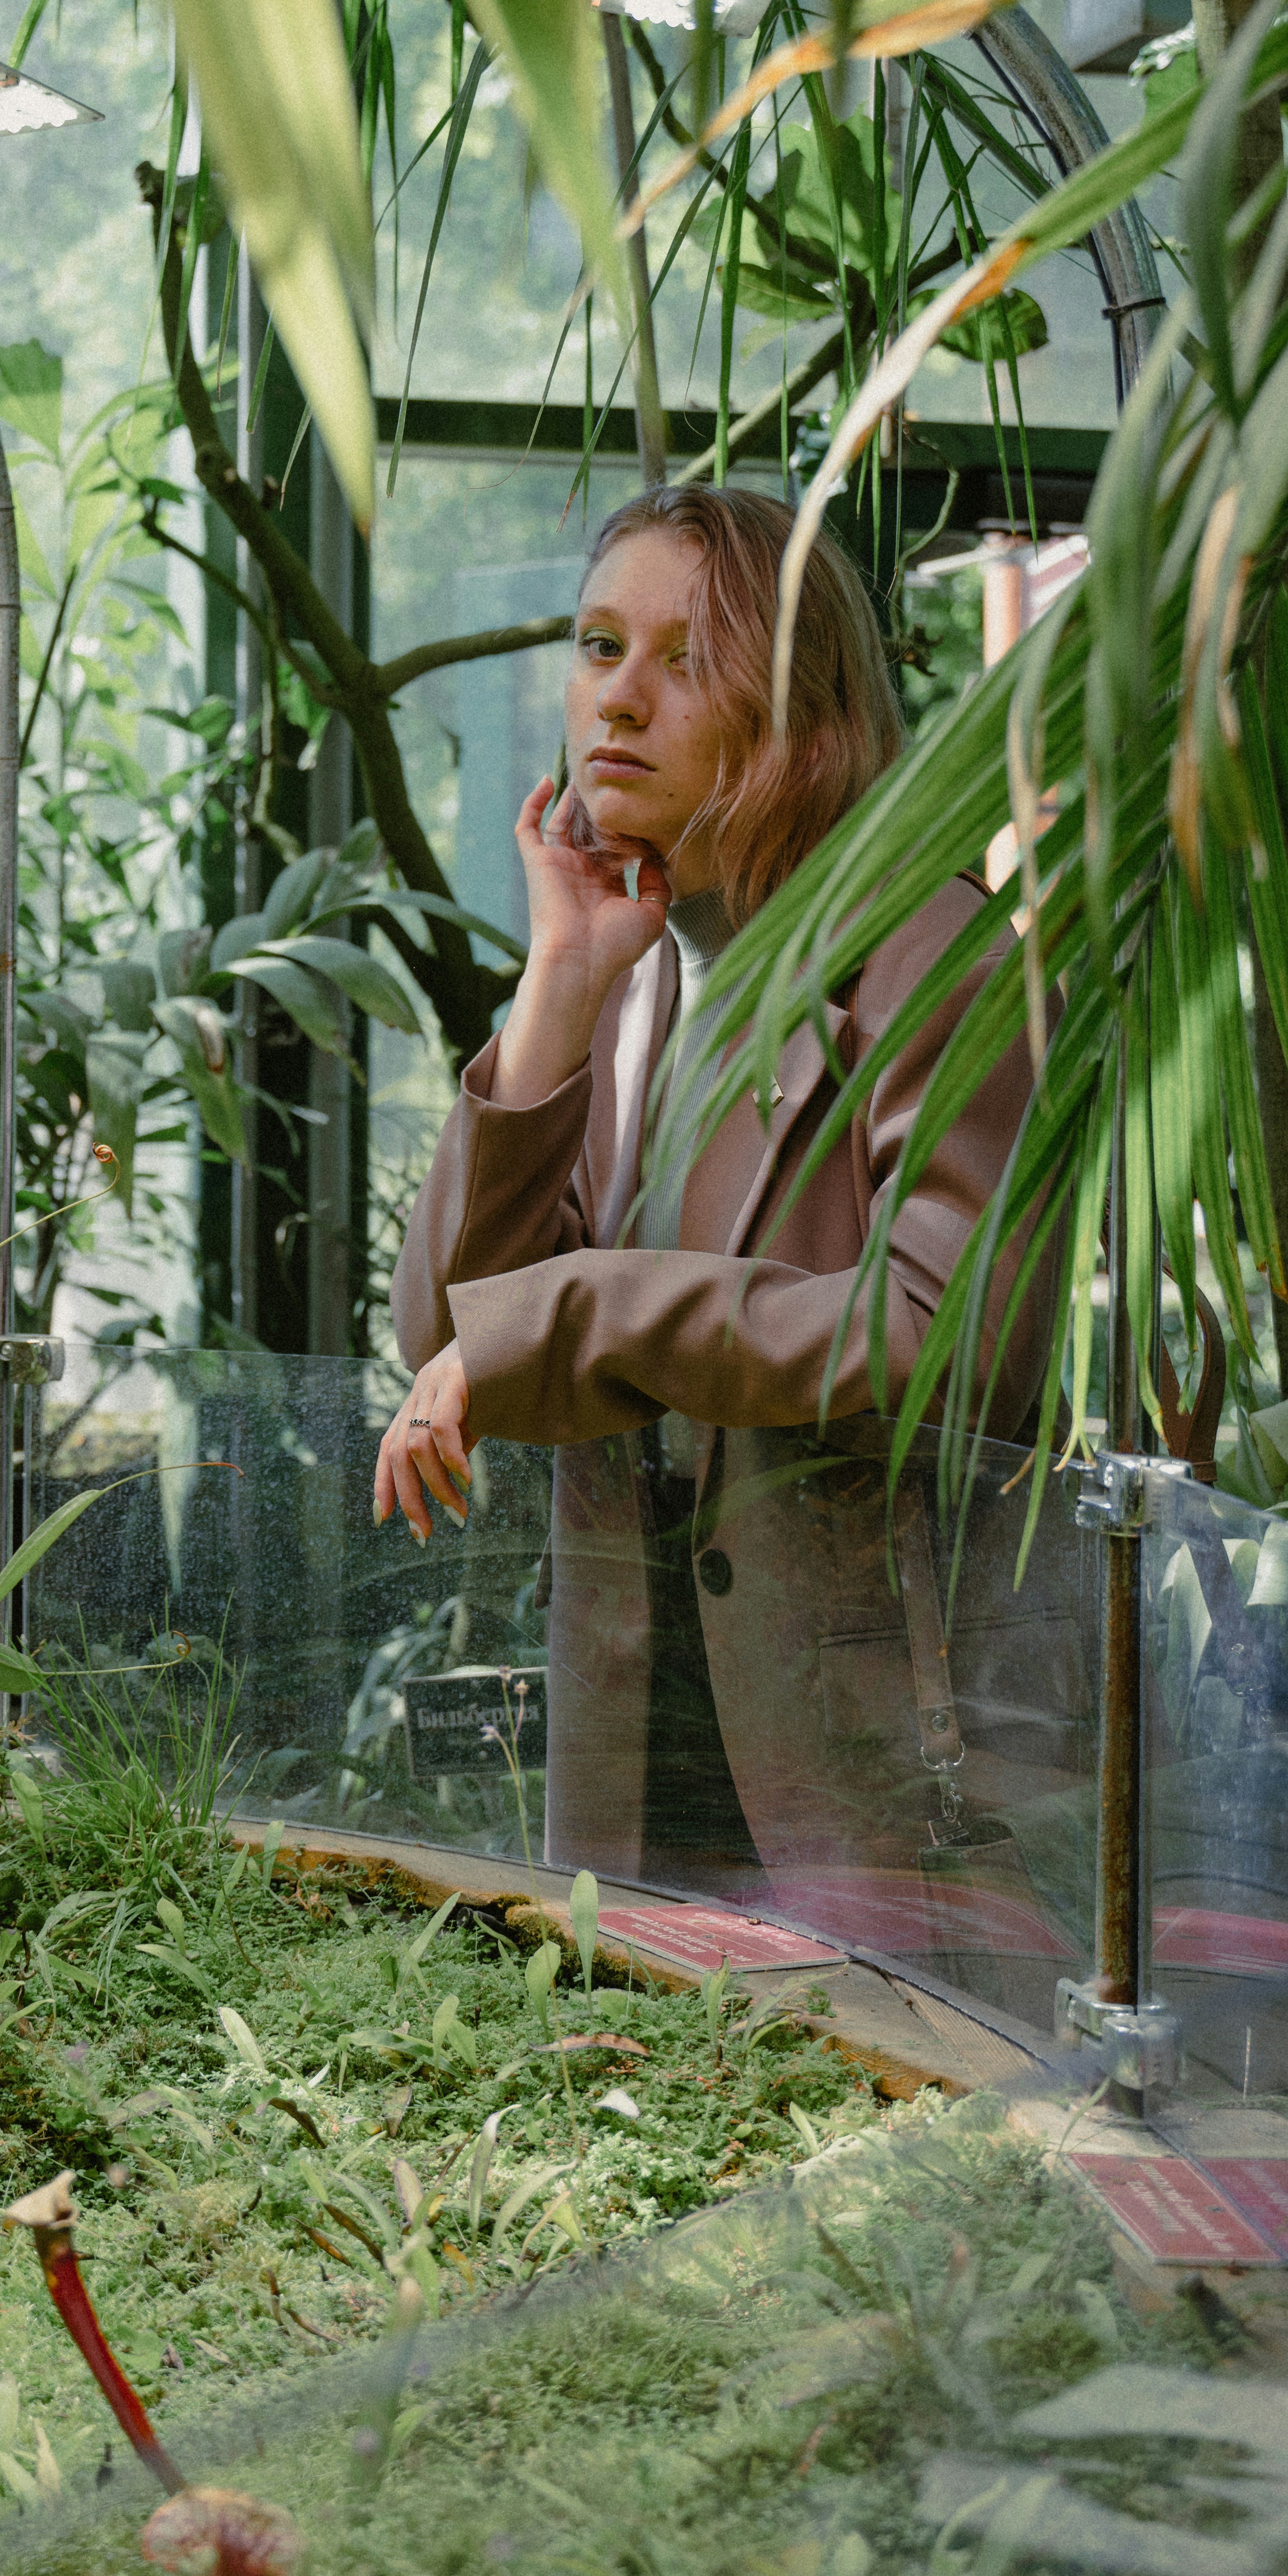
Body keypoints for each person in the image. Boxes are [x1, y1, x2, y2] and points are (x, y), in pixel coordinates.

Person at [376, 480, 1053, 1884]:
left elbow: (939, 1336)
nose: (619, 701)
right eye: (600, 646)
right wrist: (556, 990)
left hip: (868, 1762)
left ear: (801, 709)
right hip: (637, 1750)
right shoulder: (630, 974)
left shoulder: (937, 956)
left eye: (687, 660)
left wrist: (588, 1308)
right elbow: (448, 1343)